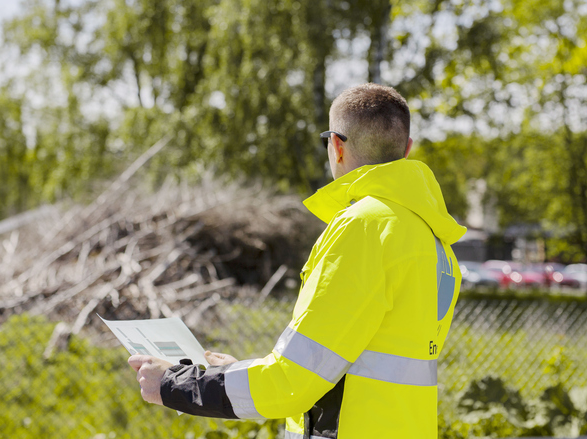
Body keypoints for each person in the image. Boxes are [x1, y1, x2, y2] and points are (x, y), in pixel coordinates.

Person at [129, 83, 466, 438]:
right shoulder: (436, 242)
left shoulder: (363, 228)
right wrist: (237, 371)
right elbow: (353, 364)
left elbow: (291, 382)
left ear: (336, 146)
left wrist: (173, 383)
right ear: (406, 149)